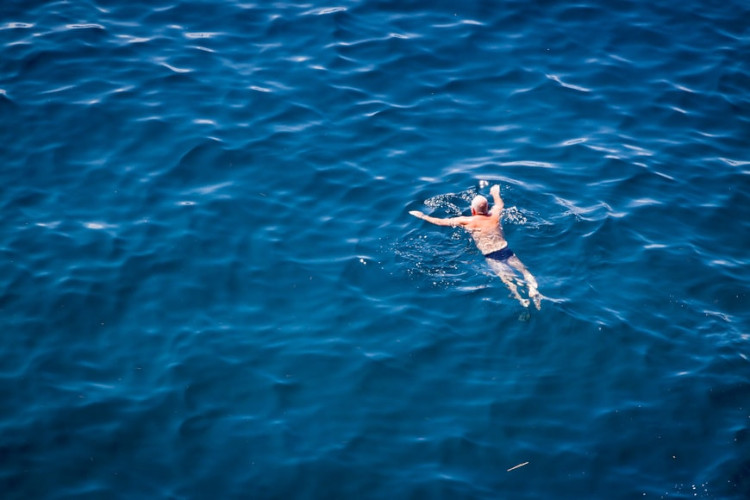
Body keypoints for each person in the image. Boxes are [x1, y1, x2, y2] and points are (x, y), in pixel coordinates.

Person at [409, 185, 541, 309]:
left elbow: (440, 222)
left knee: (508, 280)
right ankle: (533, 289)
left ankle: (521, 299)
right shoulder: (494, 215)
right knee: (524, 271)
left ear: (472, 210)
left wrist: (422, 215)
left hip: (491, 255)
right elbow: (500, 204)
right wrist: (495, 192)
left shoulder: (467, 221)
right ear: (488, 207)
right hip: (505, 250)